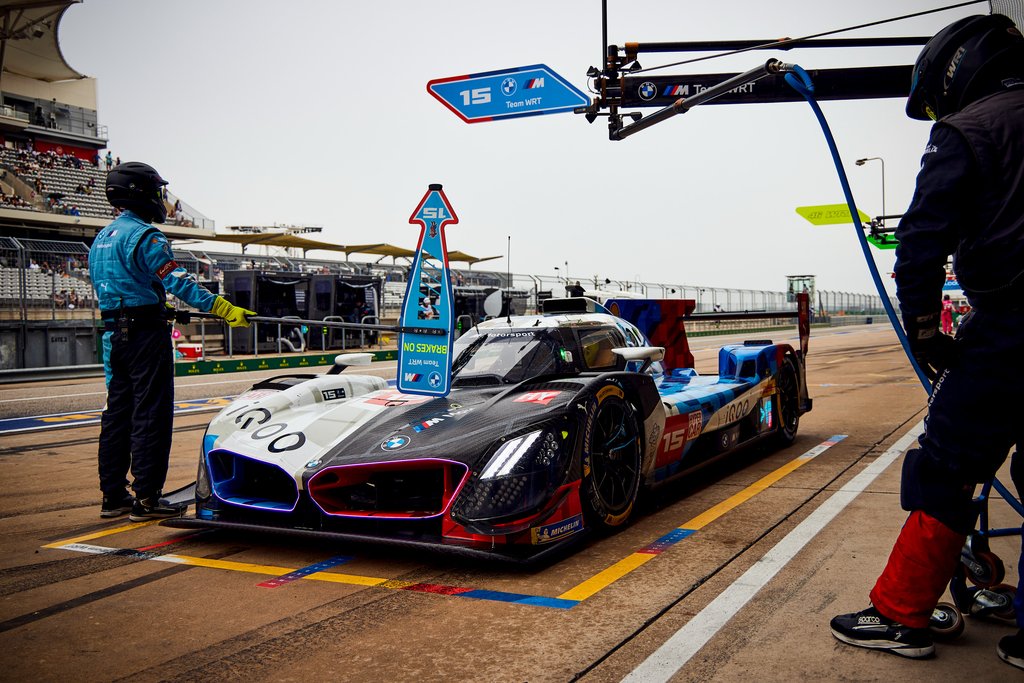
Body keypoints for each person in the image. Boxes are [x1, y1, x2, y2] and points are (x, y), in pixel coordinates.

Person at [829, 14, 1024, 670]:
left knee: (943, 469)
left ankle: (899, 612)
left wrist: (924, 333)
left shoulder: (969, 129)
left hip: (1008, 333)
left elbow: (919, 243)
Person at [89, 162, 255, 521]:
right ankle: (147, 498)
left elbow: (122, 291)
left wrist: (159, 307)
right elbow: (178, 281)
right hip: (145, 336)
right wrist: (222, 308)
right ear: (143, 192)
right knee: (151, 413)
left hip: (113, 335)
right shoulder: (146, 237)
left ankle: (112, 495)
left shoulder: (101, 240)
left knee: (117, 414)